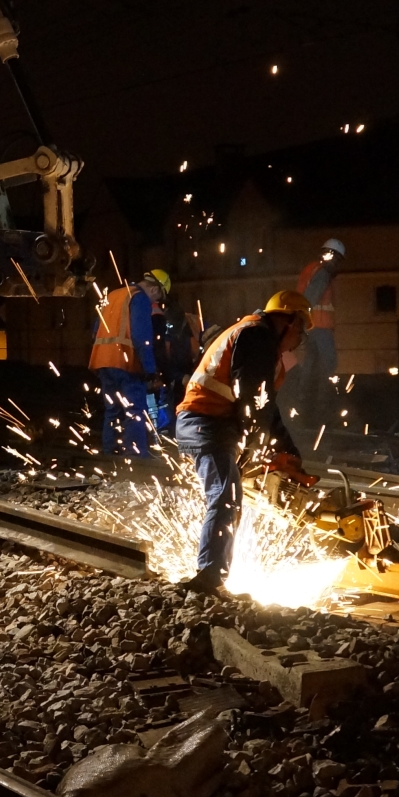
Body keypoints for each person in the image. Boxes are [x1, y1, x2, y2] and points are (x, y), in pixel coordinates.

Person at [174, 291, 318, 596]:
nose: (298, 341)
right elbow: (252, 400)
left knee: (238, 490)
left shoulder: (258, 338)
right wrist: (260, 445)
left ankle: (213, 569)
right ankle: (208, 577)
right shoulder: (256, 337)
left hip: (216, 421)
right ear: (288, 322)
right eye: (300, 332)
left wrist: (288, 451)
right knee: (226, 494)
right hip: (204, 421)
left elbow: (266, 407)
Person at [88, 273, 158, 455]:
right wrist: (150, 369)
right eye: (156, 299)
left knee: (112, 410)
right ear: (154, 289)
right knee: (134, 410)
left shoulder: (112, 295)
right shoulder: (139, 297)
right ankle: (135, 459)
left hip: (102, 360)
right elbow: (141, 337)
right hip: (125, 364)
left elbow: (95, 331)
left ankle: (110, 455)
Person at [290, 238, 346, 419]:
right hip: (320, 326)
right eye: (338, 260)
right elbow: (310, 298)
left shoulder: (311, 269)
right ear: (333, 256)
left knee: (311, 365)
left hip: (311, 326)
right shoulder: (322, 273)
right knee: (329, 364)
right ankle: (325, 408)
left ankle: (303, 405)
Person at [143, 269, 193, 433]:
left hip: (152, 370)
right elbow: (161, 351)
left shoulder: (138, 304)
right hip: (155, 371)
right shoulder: (158, 314)